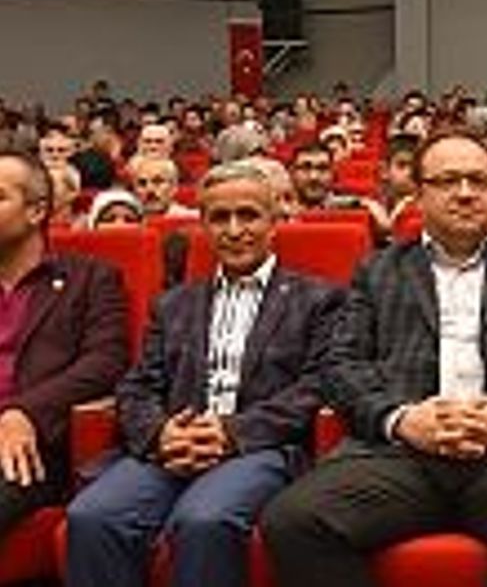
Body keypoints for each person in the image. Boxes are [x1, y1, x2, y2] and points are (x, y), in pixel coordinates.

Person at [262, 128, 487, 587]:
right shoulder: (378, 269)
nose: (465, 193)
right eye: (448, 181)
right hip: (402, 454)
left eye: (478, 181)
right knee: (293, 520)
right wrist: (401, 419)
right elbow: (341, 364)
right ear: (418, 194)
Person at [65, 161, 346, 587]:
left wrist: (229, 432)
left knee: (203, 520)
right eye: (219, 218)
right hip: (173, 446)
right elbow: (138, 384)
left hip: (260, 446)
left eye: (248, 215)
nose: (234, 230)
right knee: (92, 516)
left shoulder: (318, 300)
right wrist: (161, 433)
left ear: (274, 223)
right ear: (204, 226)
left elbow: (319, 385)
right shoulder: (174, 304)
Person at [0, 150, 129, 537]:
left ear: (37, 211)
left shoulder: (90, 279)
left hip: (29, 446)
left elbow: (105, 363)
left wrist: (25, 412)